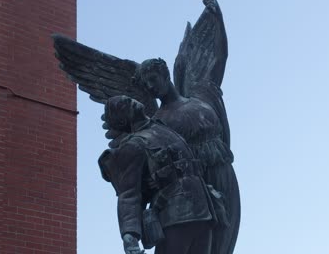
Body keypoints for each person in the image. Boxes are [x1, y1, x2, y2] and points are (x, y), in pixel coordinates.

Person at [136, 57, 240, 254]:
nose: (150, 86)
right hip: (195, 183)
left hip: (224, 173)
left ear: (165, 75)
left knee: (225, 240)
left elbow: (224, 131)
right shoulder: (157, 122)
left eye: (153, 79)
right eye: (146, 83)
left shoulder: (202, 97)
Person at [98, 96, 215, 254]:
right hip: (174, 216)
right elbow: (129, 194)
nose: (129, 100)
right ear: (121, 122)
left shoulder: (161, 127)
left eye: (128, 98)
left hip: (203, 212)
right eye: (123, 104)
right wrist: (130, 235)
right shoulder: (133, 145)